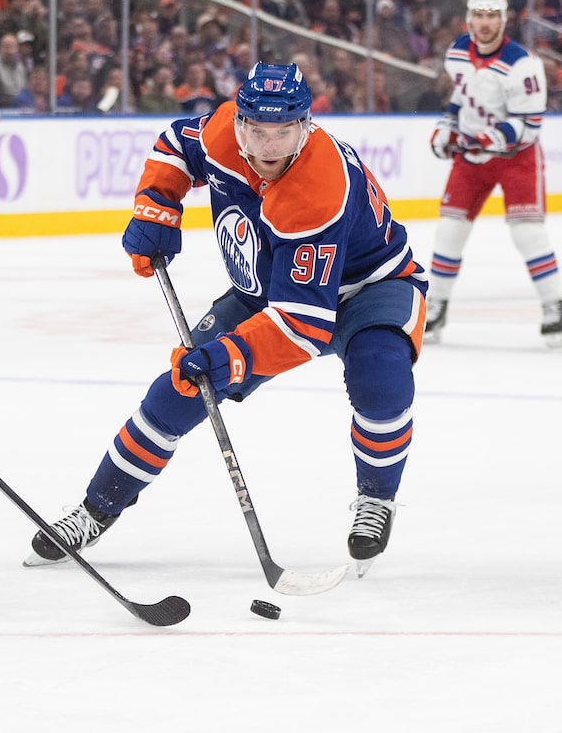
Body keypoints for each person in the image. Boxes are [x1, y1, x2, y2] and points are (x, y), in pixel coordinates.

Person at [25, 63, 426, 577]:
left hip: (371, 286)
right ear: (239, 121)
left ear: (306, 126)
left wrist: (227, 359)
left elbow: (304, 326)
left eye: (284, 131)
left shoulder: (318, 189)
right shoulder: (220, 133)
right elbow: (174, 145)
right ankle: (95, 508)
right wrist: (157, 206)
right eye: (257, 129)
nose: (269, 146)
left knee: (381, 377)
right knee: (176, 392)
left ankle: (377, 498)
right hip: (266, 289)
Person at [426, 0, 562, 346]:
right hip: (472, 158)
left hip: (516, 157)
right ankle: (436, 305)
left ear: (504, 20)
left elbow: (530, 123)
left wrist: (486, 138)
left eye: (492, 16)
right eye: (479, 15)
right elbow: (460, 96)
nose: (485, 23)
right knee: (450, 230)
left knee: (527, 232)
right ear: (469, 18)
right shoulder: (457, 52)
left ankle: (555, 306)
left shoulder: (523, 64)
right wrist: (447, 126)